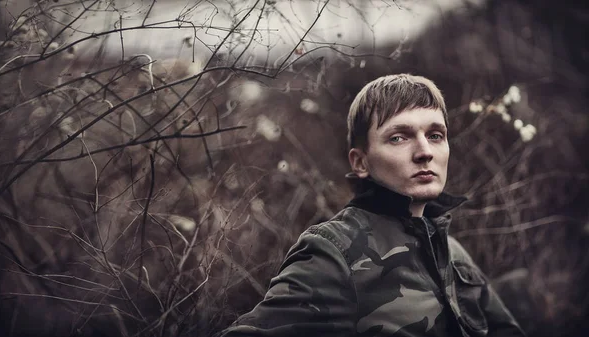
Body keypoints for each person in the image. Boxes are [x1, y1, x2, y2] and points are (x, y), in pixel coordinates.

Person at [219, 74, 526, 337]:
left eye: (435, 135)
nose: (424, 152)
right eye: (398, 137)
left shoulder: (451, 250)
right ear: (361, 162)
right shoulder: (334, 253)